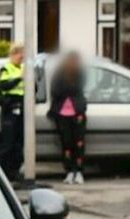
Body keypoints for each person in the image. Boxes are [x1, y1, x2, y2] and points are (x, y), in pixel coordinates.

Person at [48, 52, 88, 184]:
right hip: (62, 113)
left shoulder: (80, 73)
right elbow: (55, 91)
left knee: (79, 143)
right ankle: (69, 171)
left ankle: (79, 171)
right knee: (66, 143)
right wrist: (70, 90)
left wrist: (68, 89)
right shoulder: (59, 74)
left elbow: (78, 88)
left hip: (77, 112)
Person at [0, 44, 27, 181]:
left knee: (19, 143)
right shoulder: (6, 68)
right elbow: (4, 85)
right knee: (7, 143)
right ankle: (0, 172)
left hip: (22, 107)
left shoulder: (24, 68)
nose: (22, 58)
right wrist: (20, 78)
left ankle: (14, 172)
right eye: (20, 54)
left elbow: (33, 88)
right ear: (14, 54)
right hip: (10, 108)